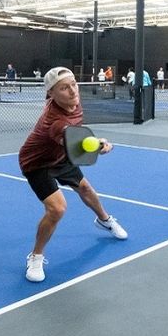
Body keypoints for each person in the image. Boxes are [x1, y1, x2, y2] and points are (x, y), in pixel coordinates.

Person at [18, 67, 128, 283]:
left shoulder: (72, 102)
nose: (72, 91)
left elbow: (76, 135)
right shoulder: (55, 123)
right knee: (57, 208)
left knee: (85, 188)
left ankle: (104, 220)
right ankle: (36, 256)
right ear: (51, 94)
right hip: (37, 163)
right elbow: (77, 149)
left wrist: (93, 142)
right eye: (64, 88)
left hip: (59, 155)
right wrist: (100, 146)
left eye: (74, 84)